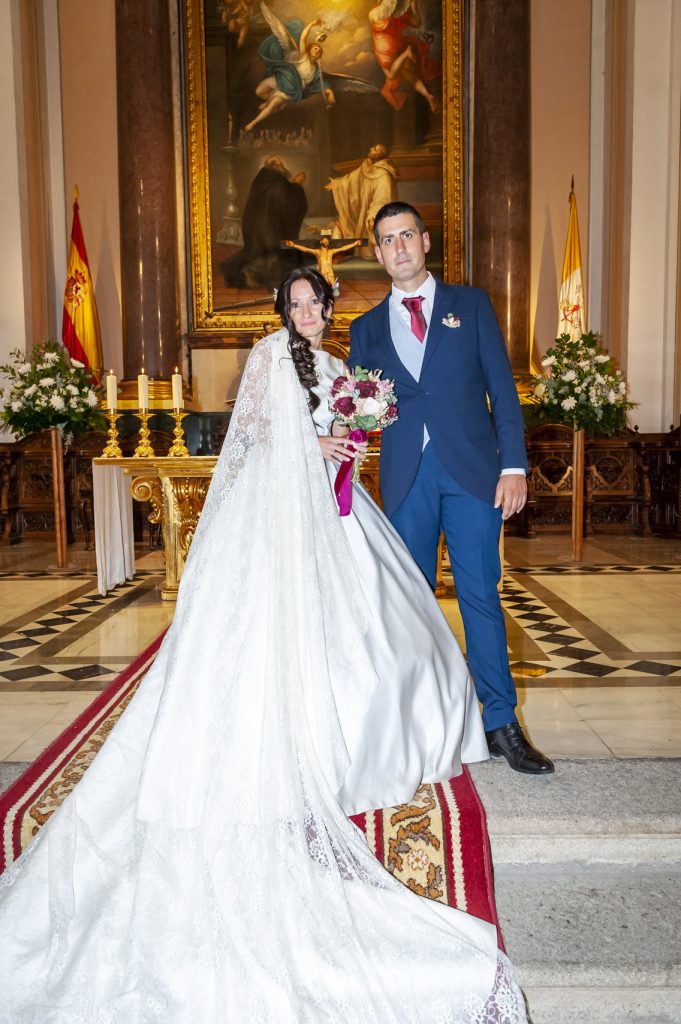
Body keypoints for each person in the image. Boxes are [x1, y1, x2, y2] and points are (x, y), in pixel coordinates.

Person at [0, 266, 527, 1023]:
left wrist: (347, 442)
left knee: (395, 623)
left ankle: (404, 727)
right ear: (282, 310)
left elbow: (352, 438)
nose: (307, 312)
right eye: (296, 303)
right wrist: (312, 447)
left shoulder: (346, 367)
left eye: (316, 302)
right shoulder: (266, 359)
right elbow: (248, 440)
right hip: (279, 521)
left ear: (329, 308)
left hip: (338, 516)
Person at [348, 201, 555, 777]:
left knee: (480, 598)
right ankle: (422, 723)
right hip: (406, 480)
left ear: (425, 240)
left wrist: (513, 465)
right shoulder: (364, 330)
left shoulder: (471, 304)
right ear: (379, 252)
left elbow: (503, 391)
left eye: (406, 235)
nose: (399, 248)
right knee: (409, 607)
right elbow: (359, 412)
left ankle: (501, 723)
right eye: (387, 240)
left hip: (472, 474)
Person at [220, 155, 307, 290]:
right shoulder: (277, 181)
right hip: (271, 230)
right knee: (277, 260)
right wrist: (296, 186)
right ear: (273, 166)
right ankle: (256, 275)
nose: (281, 164)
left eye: (281, 162)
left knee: (259, 255)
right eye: (278, 163)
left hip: (256, 228)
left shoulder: (261, 180)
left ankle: (251, 273)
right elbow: (287, 202)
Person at [244, 4, 335, 132]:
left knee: (271, 105)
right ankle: (274, 103)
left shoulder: (316, 71)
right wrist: (313, 24)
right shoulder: (303, 57)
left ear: (320, 54)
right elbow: (303, 36)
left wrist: (330, 94)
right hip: (284, 76)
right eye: (315, 48)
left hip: (292, 88)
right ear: (309, 50)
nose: (316, 50)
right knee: (259, 91)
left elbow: (323, 85)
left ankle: (252, 124)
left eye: (318, 50)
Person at [326, 144, 398, 259]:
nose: (371, 149)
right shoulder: (365, 167)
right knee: (340, 225)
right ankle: (338, 254)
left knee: (372, 232)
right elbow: (350, 180)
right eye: (373, 148)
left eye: (375, 149)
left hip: (371, 215)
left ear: (381, 155)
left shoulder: (384, 176)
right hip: (361, 211)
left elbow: (382, 200)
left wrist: (373, 215)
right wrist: (336, 184)